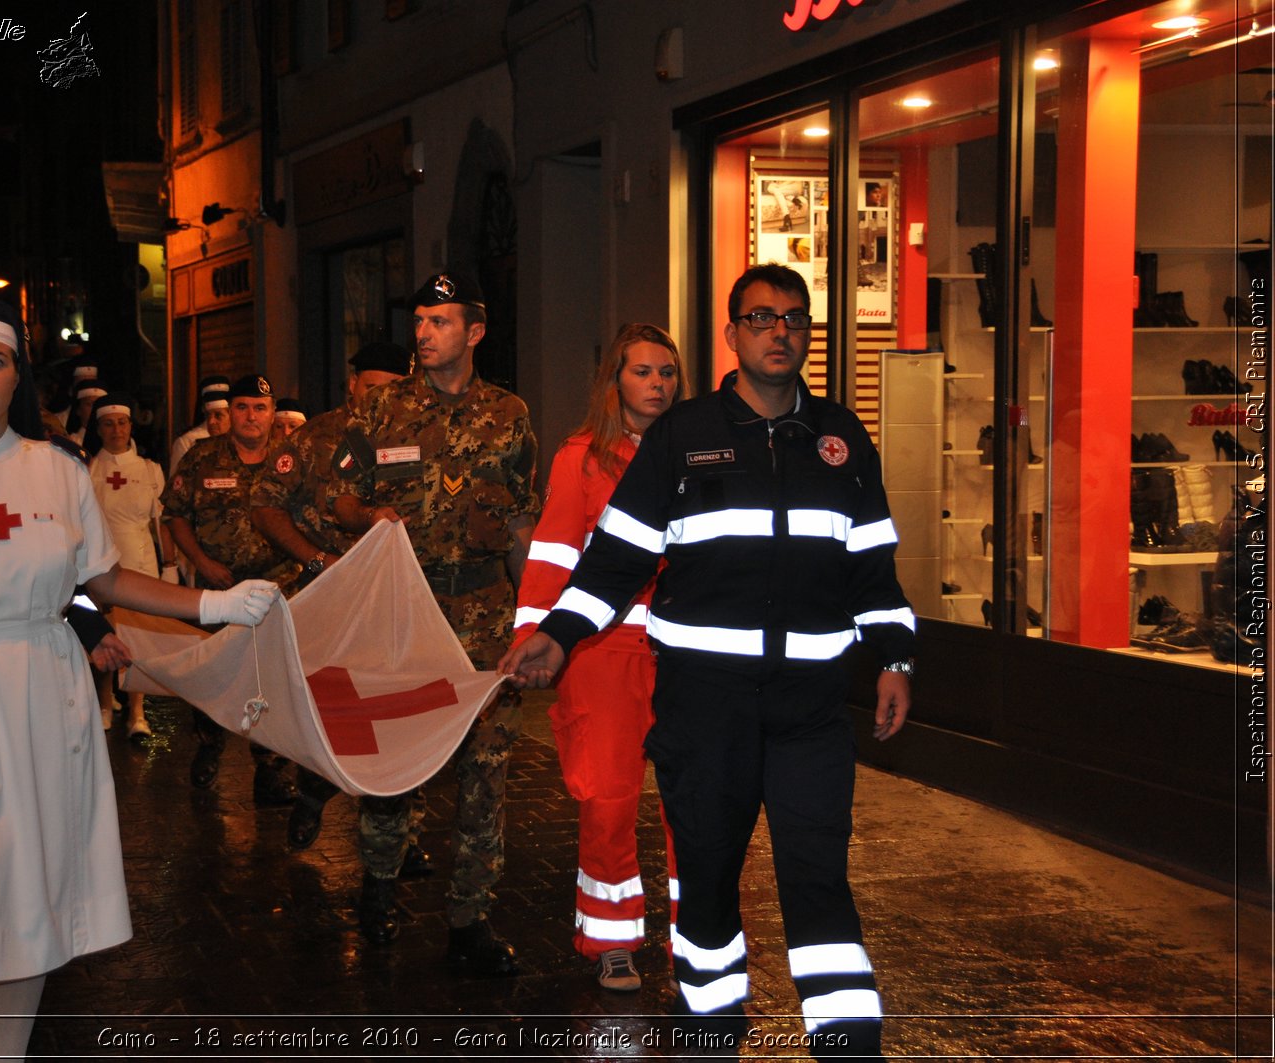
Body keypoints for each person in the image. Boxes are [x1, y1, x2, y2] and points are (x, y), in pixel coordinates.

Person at [0, 298, 278, 1062]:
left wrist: (210, 604)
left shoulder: (57, 471)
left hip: (45, 692)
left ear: (17, 376)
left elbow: (105, 578)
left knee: (30, 892)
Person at [500, 264, 914, 1058]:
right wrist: (558, 631)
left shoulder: (840, 440)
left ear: (807, 335)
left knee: (819, 881)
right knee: (711, 887)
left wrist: (895, 657)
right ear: (731, 335)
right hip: (706, 709)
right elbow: (617, 558)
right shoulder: (682, 437)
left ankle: (850, 1047)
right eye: (760, 318)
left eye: (793, 319)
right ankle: (711, 1036)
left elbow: (873, 565)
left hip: (810, 712)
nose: (779, 332)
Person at [330, 269, 538, 975]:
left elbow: (520, 519)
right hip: (405, 614)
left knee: (485, 770)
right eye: (419, 320)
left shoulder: (509, 414)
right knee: (396, 760)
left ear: (474, 331)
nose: (423, 333)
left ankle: (468, 917)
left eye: (440, 321)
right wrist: (369, 514)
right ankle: (381, 884)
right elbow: (340, 500)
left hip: (483, 613)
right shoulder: (382, 408)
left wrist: (534, 616)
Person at [511, 323, 683, 993]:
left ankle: (700, 933)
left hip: (680, 656)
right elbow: (552, 554)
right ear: (615, 383)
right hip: (602, 651)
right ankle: (611, 939)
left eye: (666, 372)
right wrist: (538, 640)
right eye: (642, 372)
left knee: (694, 802)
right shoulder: (580, 458)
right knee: (608, 800)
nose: (657, 384)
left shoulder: (697, 453)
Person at [248, 341, 430, 859]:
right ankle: (313, 790)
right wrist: (312, 562)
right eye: (372, 387)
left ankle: (398, 834)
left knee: (398, 713)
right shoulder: (315, 438)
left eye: (393, 389)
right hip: (330, 600)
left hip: (394, 602)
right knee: (337, 715)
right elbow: (264, 505)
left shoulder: (416, 433)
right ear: (352, 385)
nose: (381, 399)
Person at [163, 373, 302, 805]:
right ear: (230, 412)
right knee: (214, 674)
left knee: (273, 679)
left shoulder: (292, 460)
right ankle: (209, 744)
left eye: (260, 408)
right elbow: (175, 514)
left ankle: (272, 769)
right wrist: (201, 562)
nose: (251, 416)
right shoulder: (202, 457)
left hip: (280, 589)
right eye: (241, 407)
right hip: (218, 587)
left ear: (273, 413)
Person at [84, 392, 175, 741]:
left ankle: (137, 711)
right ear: (99, 429)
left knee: (137, 639)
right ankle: (106, 704)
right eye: (108, 424)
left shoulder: (150, 470)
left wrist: (169, 565)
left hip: (140, 561)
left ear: (130, 426)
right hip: (104, 563)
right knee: (105, 636)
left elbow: (161, 521)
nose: (116, 430)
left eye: (122, 423)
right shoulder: (89, 468)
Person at [169, 374, 230, 477]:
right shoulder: (188, 442)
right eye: (207, 415)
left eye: (218, 415)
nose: (211, 422)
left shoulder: (241, 441)